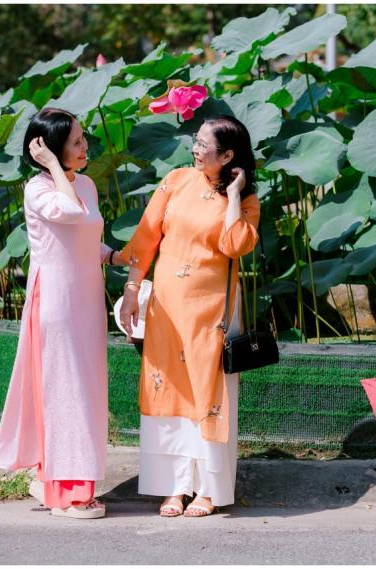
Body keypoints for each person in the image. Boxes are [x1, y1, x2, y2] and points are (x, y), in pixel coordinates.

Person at [117, 115, 260, 517]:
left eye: (203, 145)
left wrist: (233, 195)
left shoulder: (247, 202)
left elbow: (235, 246)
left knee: (206, 392)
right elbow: (145, 239)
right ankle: (175, 486)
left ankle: (208, 489)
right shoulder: (177, 180)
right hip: (167, 307)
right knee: (168, 388)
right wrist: (132, 292)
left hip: (212, 311)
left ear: (228, 156)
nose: (195, 149)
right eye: (195, 141)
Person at [0, 108, 125, 519]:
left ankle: (59, 476)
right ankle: (67, 492)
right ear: (50, 150)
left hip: (86, 301)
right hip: (56, 303)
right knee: (65, 392)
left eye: (83, 139)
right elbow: (68, 215)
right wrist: (50, 165)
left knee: (86, 390)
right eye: (75, 143)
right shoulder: (38, 189)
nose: (85, 147)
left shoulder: (83, 184)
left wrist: (113, 255)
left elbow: (84, 234)